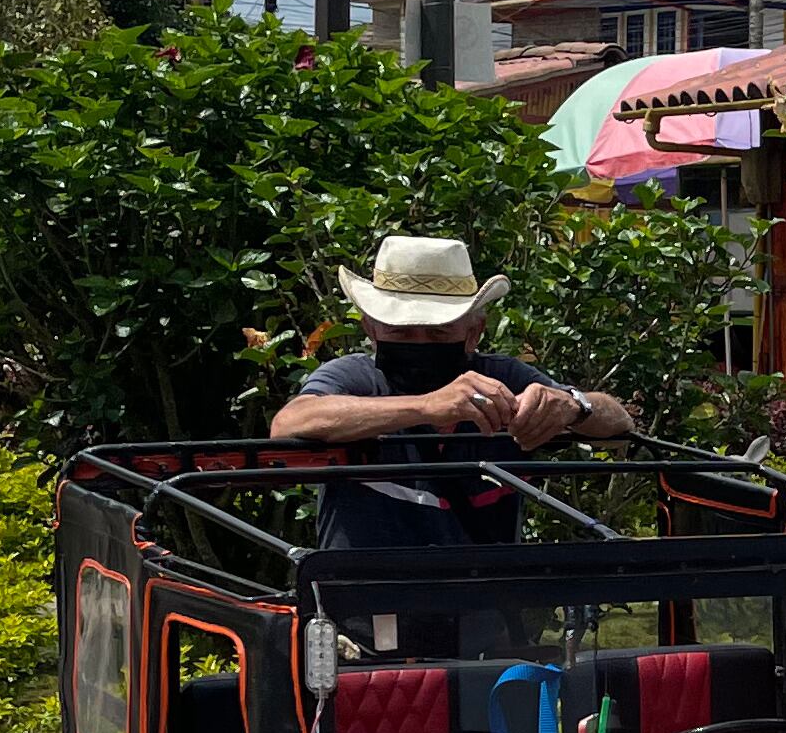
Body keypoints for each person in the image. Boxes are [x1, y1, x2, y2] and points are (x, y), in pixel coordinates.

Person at [270, 234, 637, 562]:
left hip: (484, 605)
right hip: (363, 604)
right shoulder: (352, 377)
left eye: (438, 332)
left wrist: (572, 405)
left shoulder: (505, 378)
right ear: (371, 329)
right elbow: (290, 422)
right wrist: (426, 406)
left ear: (474, 332)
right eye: (402, 332)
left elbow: (619, 421)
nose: (420, 343)